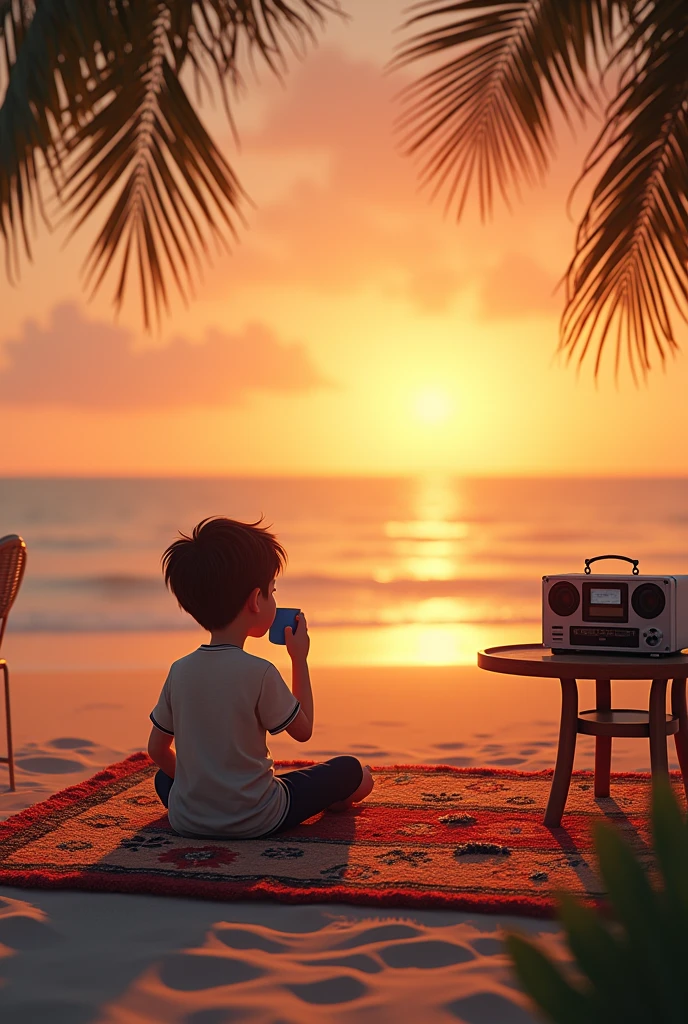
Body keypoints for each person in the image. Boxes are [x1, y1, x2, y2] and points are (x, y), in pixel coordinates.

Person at [147, 516, 374, 839]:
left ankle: (202, 801)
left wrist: (194, 784)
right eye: (272, 591)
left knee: (163, 779)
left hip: (188, 818)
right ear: (256, 601)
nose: (274, 599)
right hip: (257, 817)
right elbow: (303, 729)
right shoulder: (260, 672)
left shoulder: (179, 670)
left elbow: (157, 749)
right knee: (352, 770)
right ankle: (345, 791)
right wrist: (299, 658)